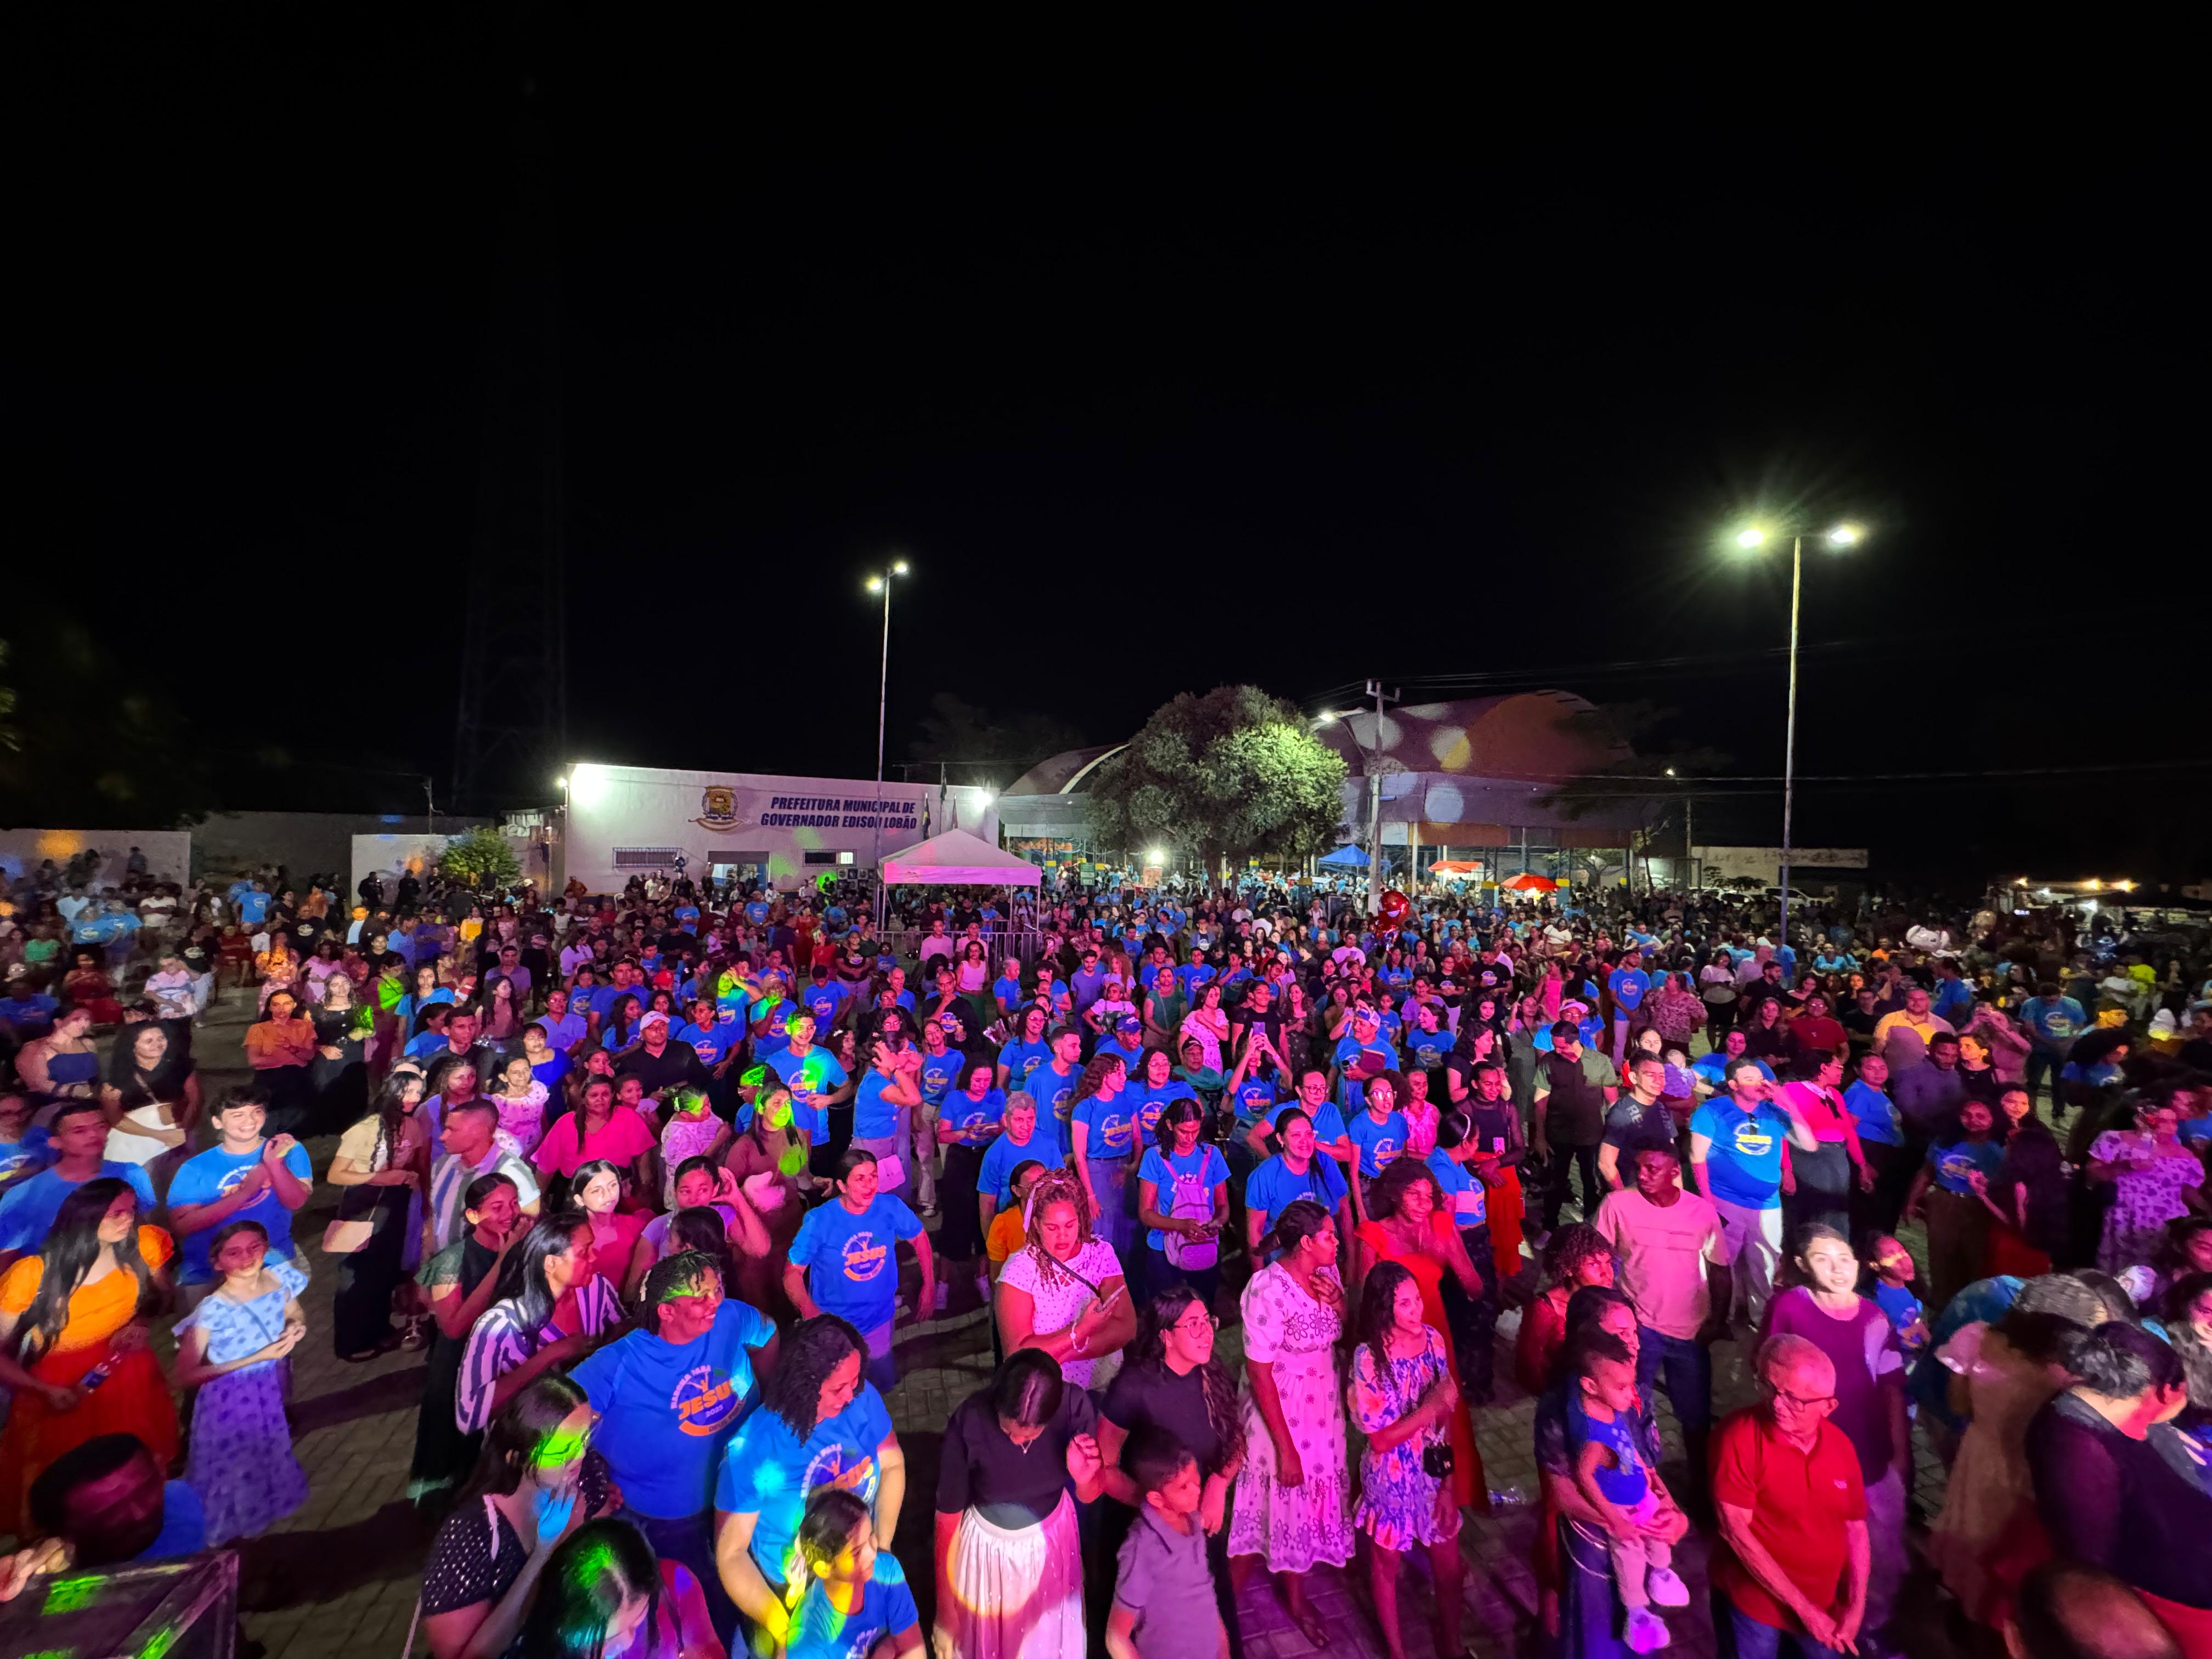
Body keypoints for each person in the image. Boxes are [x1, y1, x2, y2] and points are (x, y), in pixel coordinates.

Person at [570, 1249, 777, 1644]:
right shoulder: (617, 1364)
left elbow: (767, 1334)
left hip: (742, 1499)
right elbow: (550, 1423)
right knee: (699, 1611)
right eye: (699, 1297)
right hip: (671, 1525)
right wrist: (590, 1481)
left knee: (754, 1590)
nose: (713, 1302)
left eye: (716, 1290)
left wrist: (768, 1399)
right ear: (665, 1311)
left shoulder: (731, 1317)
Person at [713, 1314, 904, 1649]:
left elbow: (893, 1466)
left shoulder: (862, 1399)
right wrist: (784, 1629)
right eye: (838, 1388)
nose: (851, 1396)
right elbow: (731, 1554)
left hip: (856, 1575)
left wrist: (881, 1551)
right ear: (804, 1383)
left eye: (855, 1381)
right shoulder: (754, 1448)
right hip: (790, 1596)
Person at [0, 1178, 177, 1534]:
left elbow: (163, 1301)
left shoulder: (145, 1246)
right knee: (69, 1490)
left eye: (131, 1210)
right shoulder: (32, 1275)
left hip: (128, 1376)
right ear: (85, 1217)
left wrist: (140, 1323)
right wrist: (43, 1392)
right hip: (58, 1391)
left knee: (132, 1473)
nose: (127, 1218)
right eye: (115, 1213)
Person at [1759, 1226, 1909, 1641]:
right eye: (1823, 1259)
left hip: (1868, 1450)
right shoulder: (1791, 1307)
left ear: (1859, 1265)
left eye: (1844, 1259)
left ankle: (1871, 1622)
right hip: (1808, 1451)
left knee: (1876, 1544)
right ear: (1803, 1265)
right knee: (1816, 1539)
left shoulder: (1874, 1317)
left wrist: (1900, 1454)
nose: (1837, 1269)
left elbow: (1892, 1388)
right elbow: (1770, 1372)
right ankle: (1815, 1616)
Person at [2026, 1321, 2212, 1651]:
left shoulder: (2116, 1417)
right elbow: (2089, 1554)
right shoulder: (2080, 1449)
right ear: (2166, 1391)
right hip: (2165, 1604)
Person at [1096, 1287, 1248, 1659]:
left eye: (1207, 1322)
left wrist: (1217, 1483)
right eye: (1192, 1325)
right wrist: (1157, 1506)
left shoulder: (1212, 1372)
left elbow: (1238, 1442)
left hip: (1198, 1524)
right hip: (1153, 1536)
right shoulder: (1134, 1387)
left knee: (1213, 1620)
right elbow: (1104, 1465)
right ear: (1166, 1336)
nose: (1206, 1332)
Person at [1226, 1197, 1351, 1644]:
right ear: (1305, 1243)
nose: (1337, 1241)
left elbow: (1343, 1333)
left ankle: (1296, 1600)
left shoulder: (1327, 1276)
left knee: (1300, 1510)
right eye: (1329, 1236)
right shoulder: (1267, 1290)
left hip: (1322, 1407)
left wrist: (1338, 1304)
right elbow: (1259, 1372)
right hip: (1278, 1407)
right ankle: (1219, 1612)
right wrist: (1285, 1447)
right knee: (1262, 1508)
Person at [933, 1347, 1107, 1659]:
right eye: (1006, 1430)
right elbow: (947, 1518)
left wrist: (1084, 1477)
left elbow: (1090, 1494)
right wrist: (945, 1611)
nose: (1017, 1441)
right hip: (989, 1550)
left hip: (1053, 1541)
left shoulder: (1074, 1407)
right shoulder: (970, 1419)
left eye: (1031, 1434)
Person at [1708, 1334, 1871, 1659]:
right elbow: (1735, 1531)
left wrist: (1855, 1605)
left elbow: (1855, 1527)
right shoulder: (1739, 1437)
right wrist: (1806, 1611)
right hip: (1756, 1605)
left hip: (1824, 1602)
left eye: (1794, 1399)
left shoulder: (1841, 1448)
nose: (1777, 1405)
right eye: (1770, 1388)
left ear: (1829, 1406)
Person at [419, 1374, 605, 1659]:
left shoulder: (583, 1474)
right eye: (561, 1450)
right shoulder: (470, 1534)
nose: (578, 1456)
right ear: (515, 1456)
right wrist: (544, 1553)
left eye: (584, 1438)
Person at [1348, 1261, 1466, 1659]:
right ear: (1384, 1310)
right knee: (1387, 1566)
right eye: (1405, 1304)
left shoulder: (1434, 1342)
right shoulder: (1368, 1359)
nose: (1417, 1310)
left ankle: (1451, 1642)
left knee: (1450, 1568)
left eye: (1417, 1299)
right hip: (1390, 1478)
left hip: (1432, 1474)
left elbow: (1445, 1418)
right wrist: (1430, 1408)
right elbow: (1381, 1440)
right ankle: (1396, 1650)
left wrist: (1449, 1485)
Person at [1593, 1146, 1726, 1497]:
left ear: (1673, 1171)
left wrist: (1716, 1323)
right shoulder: (1617, 1205)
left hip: (1690, 1334)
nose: (1643, 1174)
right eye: (1639, 1167)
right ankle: (1638, 1482)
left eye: (1653, 1168)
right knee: (1634, 1409)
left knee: (1696, 1418)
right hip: (1639, 1332)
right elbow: (1599, 1261)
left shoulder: (1701, 1212)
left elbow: (1720, 1271)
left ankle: (1702, 1490)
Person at [1352, 1159, 1484, 1510]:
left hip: (1435, 1332)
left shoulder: (1441, 1224)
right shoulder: (1373, 1233)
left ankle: (1448, 1494)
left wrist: (1450, 1251)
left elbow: (1473, 1283)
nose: (1425, 1202)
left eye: (1429, 1195)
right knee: (1400, 1415)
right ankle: (1396, 1498)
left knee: (1443, 1410)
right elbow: (1364, 1297)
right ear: (1396, 1196)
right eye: (1415, 1194)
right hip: (1391, 1340)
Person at [171, 1218, 308, 1542]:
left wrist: (295, 1327)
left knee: (262, 1461)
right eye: (234, 1253)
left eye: (254, 1248)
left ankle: (257, 1539)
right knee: (231, 1472)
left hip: (267, 1391)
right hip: (228, 1401)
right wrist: (255, 1358)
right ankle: (227, 1546)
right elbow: (184, 1374)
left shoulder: (279, 1277)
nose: (247, 1258)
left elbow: (295, 1311)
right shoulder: (212, 1310)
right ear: (217, 1261)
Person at [1567, 1331, 1690, 1653]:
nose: (1629, 1393)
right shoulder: (1594, 1434)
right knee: (1630, 1555)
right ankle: (1637, 1615)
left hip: (1639, 1492)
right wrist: (1613, 1520)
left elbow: (1629, 1446)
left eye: (1630, 1384)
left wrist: (1647, 1475)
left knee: (1659, 1532)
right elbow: (1584, 1476)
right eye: (1621, 1387)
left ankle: (1662, 1574)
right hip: (1620, 1508)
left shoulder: (1613, 1409)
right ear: (1590, 1386)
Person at [455, 1210, 623, 1437]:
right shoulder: (499, 1324)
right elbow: (469, 1415)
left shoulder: (596, 1289)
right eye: (584, 1252)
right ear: (551, 1263)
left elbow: (623, 1338)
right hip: (529, 1448)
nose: (594, 1257)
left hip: (592, 1435)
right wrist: (551, 1354)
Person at [411, 1173, 526, 1500]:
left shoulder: (519, 1247)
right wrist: (503, 1262)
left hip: (500, 1363)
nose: (510, 1213)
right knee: (456, 1449)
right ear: (473, 1215)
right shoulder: (453, 1261)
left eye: (515, 1203)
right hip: (457, 1368)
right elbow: (454, 1327)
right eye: (498, 1207)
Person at [786, 1147, 932, 1390]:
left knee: (881, 1381)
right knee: (839, 1388)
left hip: (879, 1319)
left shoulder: (890, 1207)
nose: (870, 1185)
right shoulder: (820, 1220)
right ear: (842, 1186)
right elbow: (791, 1274)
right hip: (835, 1327)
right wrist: (811, 1314)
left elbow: (920, 1239)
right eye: (860, 1179)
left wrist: (929, 1284)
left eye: (874, 1176)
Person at [1689, 1061, 1820, 1330]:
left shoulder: (1774, 1113)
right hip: (1726, 1200)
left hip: (1768, 1203)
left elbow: (1810, 1144)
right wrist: (1708, 1202)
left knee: (1766, 1259)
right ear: (1734, 1085)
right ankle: (1719, 1316)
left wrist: (1787, 1102)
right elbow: (1697, 1158)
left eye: (1762, 1078)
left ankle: (1759, 1317)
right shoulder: (1713, 1111)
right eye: (1750, 1078)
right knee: (1724, 1260)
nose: (1761, 1083)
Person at [165, 1085, 314, 1310]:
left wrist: (275, 1165)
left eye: (257, 1111)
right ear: (217, 1122)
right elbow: (182, 1226)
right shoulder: (195, 1168)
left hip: (270, 1258)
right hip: (207, 1264)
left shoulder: (288, 1151)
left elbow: (295, 1202)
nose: (250, 1121)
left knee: (275, 1329)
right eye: (238, 1115)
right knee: (211, 1336)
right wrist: (245, 1192)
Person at [995, 1166, 1135, 1389]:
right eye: (1052, 1228)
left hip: (1103, 1383)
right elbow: (1017, 1352)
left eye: (1070, 1225)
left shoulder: (1100, 1254)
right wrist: (1081, 1331)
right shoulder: (1020, 1269)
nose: (1063, 1236)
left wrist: (1059, 1353)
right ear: (1036, 1225)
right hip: (1049, 1392)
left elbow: (1126, 1326)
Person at [513, 1515, 726, 1659]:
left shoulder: (676, 1583)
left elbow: (707, 1647)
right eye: (606, 1638)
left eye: (636, 1621)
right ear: (565, 1626)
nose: (627, 1642)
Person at [1109, 1426, 1229, 1659]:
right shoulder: (1142, 1549)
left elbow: (1205, 1595)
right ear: (1156, 1498)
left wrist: (1223, 1649)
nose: (1197, 1489)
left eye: (1195, 1476)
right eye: (1183, 1487)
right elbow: (1116, 1637)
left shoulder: (1193, 1518)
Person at [0, 1101, 157, 1277]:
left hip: (123, 1278)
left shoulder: (132, 1173)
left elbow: (143, 1230)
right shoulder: (24, 1195)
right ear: (55, 1142)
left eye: (100, 1127)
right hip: (53, 1285)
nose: (93, 1135)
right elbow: (7, 1256)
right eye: (79, 1131)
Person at [781, 1487, 923, 1659]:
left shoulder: (887, 1572)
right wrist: (889, 1647)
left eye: (871, 1536)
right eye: (856, 1552)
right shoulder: (809, 1633)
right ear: (825, 1568)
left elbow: (915, 1650)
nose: (872, 1553)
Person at [1906, 1098, 2007, 1313]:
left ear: (1993, 1118)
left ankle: (1970, 1313)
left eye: (1981, 1116)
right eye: (1967, 1115)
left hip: (1980, 1209)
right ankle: (1942, 1310)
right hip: (1944, 1202)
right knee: (1941, 1259)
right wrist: (1912, 1201)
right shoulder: (1945, 1142)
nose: (1973, 1121)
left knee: (1976, 1261)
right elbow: (1926, 1173)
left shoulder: (2001, 1149)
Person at [2087, 1103, 2207, 1276]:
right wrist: (2124, 1166)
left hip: (2163, 1225)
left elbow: (2190, 1192)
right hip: (2124, 1219)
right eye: (2163, 1121)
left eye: (2173, 1122)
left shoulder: (2184, 1155)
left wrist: (2206, 1210)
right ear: (2141, 1121)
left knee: (2151, 1273)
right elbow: (2093, 1173)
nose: (2170, 1127)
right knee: (2117, 1271)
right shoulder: (2114, 1139)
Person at [1137, 1096, 1231, 1306]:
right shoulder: (1155, 1157)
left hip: (1203, 1245)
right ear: (1170, 1125)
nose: (1190, 1138)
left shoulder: (1211, 1154)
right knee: (1167, 1311)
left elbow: (1223, 1205)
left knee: (1202, 1305)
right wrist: (1181, 1226)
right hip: (1163, 1248)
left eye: (1195, 1131)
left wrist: (1217, 1223)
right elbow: (1145, 1213)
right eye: (1183, 1132)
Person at [1535, 1020, 1617, 1229]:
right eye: (1554, 1045)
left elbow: (1613, 1102)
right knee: (1555, 1183)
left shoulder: (1600, 1062)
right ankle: (1550, 1227)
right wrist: (1540, 1136)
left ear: (1575, 1041)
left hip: (1591, 1135)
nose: (1556, 1050)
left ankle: (1591, 1225)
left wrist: (1613, 1136)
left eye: (1561, 1046)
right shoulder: (1549, 1062)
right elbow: (1540, 1102)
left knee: (1590, 1182)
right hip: (1558, 1135)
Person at [241, 988, 318, 1137]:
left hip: (297, 1079)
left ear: (295, 1005)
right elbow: (254, 1060)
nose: (282, 1009)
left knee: (295, 1125)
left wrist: (291, 1049)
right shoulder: (258, 1029)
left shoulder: (304, 1026)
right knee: (269, 1124)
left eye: (287, 1004)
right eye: (276, 1004)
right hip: (269, 1079)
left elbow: (308, 1055)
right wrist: (290, 1058)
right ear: (270, 1007)